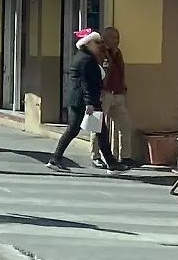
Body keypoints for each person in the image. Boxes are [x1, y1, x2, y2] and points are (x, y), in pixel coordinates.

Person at [48, 29, 122, 173]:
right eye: (97, 42)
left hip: (81, 100)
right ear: (88, 43)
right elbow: (86, 83)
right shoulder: (86, 60)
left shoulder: (84, 57)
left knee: (95, 130)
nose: (100, 45)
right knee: (85, 130)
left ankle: (111, 163)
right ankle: (111, 164)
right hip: (86, 102)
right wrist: (90, 102)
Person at [92, 26, 132, 168]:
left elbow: (120, 71)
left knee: (125, 126)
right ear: (105, 39)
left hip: (118, 94)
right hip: (105, 94)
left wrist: (123, 88)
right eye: (114, 38)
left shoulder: (118, 53)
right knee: (98, 125)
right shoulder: (100, 53)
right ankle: (96, 156)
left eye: (118, 37)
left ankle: (125, 156)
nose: (117, 41)